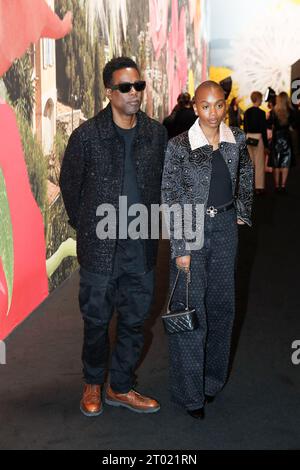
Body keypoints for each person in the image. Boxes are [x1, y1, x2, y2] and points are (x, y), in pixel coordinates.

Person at [59, 56, 167, 417]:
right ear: (109, 92)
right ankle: (92, 382)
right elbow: (70, 188)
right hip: (100, 250)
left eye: (138, 85)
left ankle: (119, 386)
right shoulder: (87, 136)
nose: (134, 93)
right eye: (125, 87)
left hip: (142, 247)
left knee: (135, 322)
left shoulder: (156, 134)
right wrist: (89, 228)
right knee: (96, 323)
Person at [161, 80, 253, 419]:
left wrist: (241, 213)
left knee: (222, 307)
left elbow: (245, 176)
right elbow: (170, 195)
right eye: (205, 106)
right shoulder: (179, 146)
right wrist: (181, 245)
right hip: (193, 233)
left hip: (226, 228)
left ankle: (212, 381)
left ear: (224, 105)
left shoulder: (236, 139)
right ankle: (190, 395)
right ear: (194, 107)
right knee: (190, 310)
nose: (212, 113)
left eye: (218, 105)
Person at [268, 91, 296, 193]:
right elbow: (293, 126)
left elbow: (269, 125)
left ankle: (276, 186)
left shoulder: (273, 112)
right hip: (286, 139)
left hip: (276, 139)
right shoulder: (291, 111)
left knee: (276, 163)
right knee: (285, 163)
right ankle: (283, 186)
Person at [243, 91, 269, 195]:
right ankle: (259, 187)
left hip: (248, 137)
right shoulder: (261, 113)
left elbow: (244, 127)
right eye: (261, 98)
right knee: (259, 164)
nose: (262, 100)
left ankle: (248, 186)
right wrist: (266, 145)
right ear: (258, 99)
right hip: (258, 137)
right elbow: (263, 130)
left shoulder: (247, 112)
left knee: (249, 164)